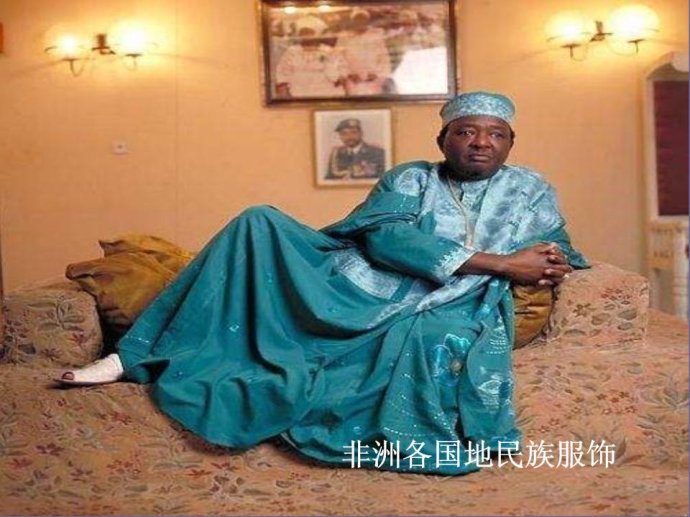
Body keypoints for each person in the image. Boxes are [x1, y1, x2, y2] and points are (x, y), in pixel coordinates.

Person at [59, 91, 588, 475]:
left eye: (495, 134)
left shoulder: (531, 190)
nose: (480, 142)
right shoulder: (412, 177)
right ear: (443, 139)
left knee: (434, 336)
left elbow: (554, 247)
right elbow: (386, 237)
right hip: (361, 283)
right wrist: (502, 263)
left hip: (447, 299)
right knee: (257, 220)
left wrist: (547, 261)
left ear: (510, 143)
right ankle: (133, 355)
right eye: (466, 131)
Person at [274, 15, 346, 98]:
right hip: (298, 97)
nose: (306, 36)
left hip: (327, 96)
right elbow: (281, 76)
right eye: (303, 33)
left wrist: (332, 71)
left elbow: (342, 74)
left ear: (318, 34)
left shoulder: (329, 51)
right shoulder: (292, 51)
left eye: (310, 32)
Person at [335, 7, 393, 96]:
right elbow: (338, 58)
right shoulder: (344, 38)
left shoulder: (376, 36)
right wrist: (348, 74)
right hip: (352, 81)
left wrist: (376, 74)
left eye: (363, 19)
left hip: (373, 80)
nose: (361, 22)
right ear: (353, 21)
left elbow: (384, 58)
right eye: (358, 19)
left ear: (367, 21)